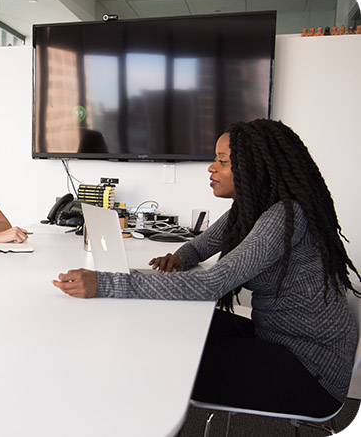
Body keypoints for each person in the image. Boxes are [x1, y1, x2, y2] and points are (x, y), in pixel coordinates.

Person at [53, 119, 360, 417]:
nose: (211, 168)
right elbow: (201, 245)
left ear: (255, 166)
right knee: (175, 327)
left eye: (222, 161)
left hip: (310, 370)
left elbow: (211, 284)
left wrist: (106, 284)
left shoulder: (283, 217)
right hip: (277, 338)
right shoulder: (249, 211)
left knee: (165, 361)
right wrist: (181, 258)